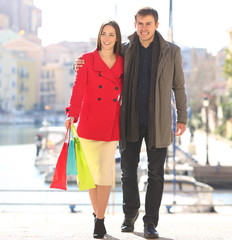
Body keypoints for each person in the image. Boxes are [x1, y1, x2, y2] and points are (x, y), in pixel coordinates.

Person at [75, 7, 187, 239]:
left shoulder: (171, 51)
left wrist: (183, 118)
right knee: (127, 172)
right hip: (129, 120)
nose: (143, 28)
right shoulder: (125, 49)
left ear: (156, 25)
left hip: (158, 121)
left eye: (148, 24)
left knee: (156, 174)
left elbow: (179, 87)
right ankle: (130, 216)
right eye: (140, 24)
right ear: (135, 24)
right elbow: (102, 63)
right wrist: (78, 65)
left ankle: (150, 223)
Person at [64, 20, 124, 239]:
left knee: (105, 173)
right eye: (103, 34)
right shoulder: (86, 60)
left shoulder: (122, 63)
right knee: (91, 175)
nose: (107, 39)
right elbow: (78, 89)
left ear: (117, 38)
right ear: (99, 37)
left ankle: (100, 220)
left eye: (111, 35)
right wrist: (72, 113)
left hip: (111, 124)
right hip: (89, 123)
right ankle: (97, 216)